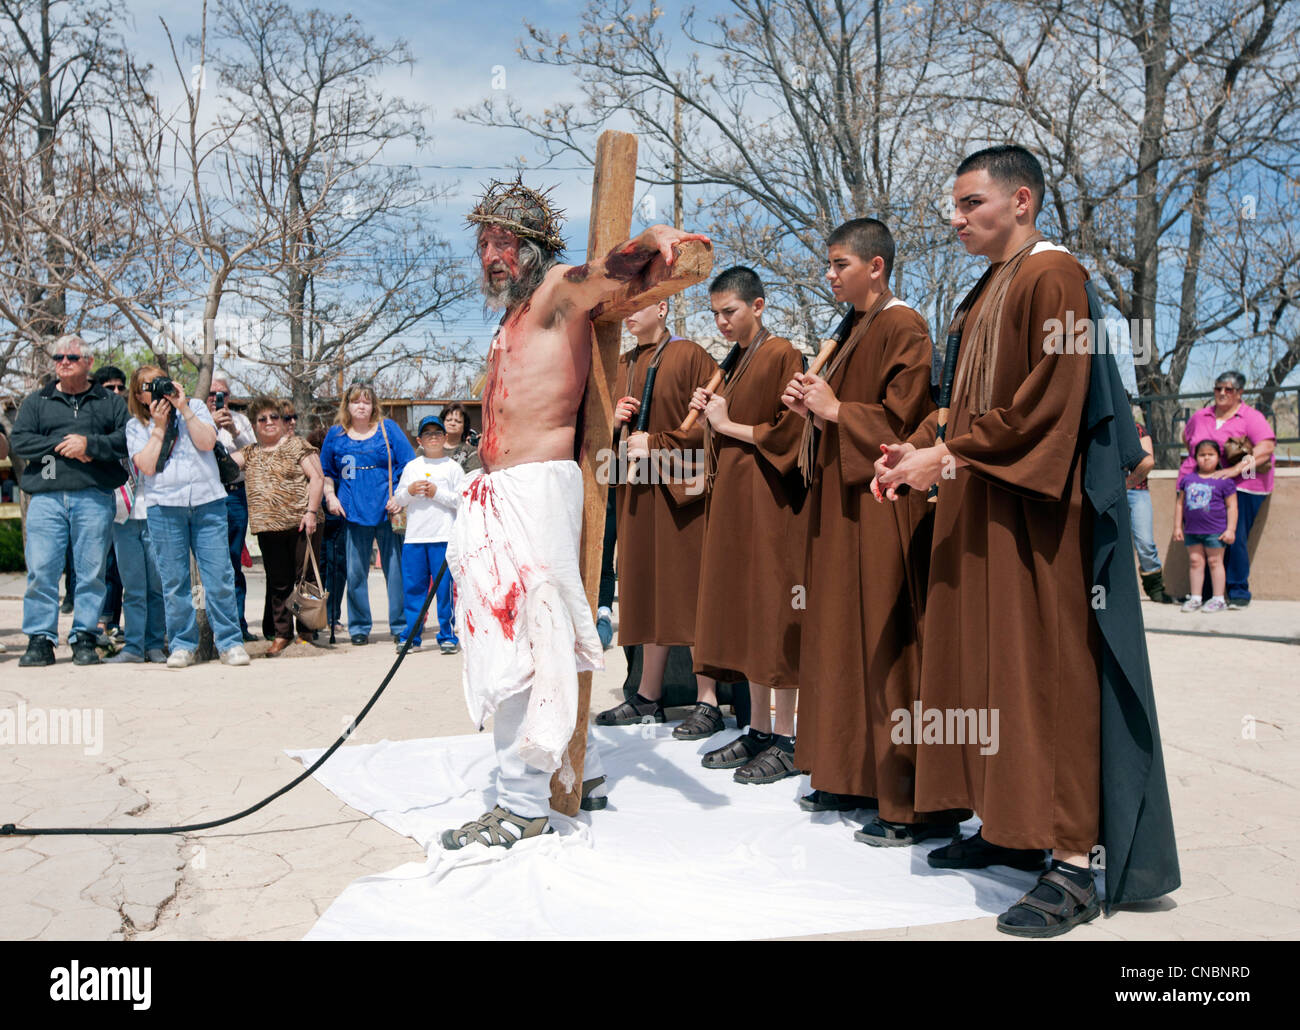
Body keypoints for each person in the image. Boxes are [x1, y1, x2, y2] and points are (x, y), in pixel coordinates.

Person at [874, 145, 1178, 936]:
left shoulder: (1055, 277)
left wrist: (950, 453)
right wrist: (923, 452)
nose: (956, 218)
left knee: (1047, 678)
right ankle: (1007, 826)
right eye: (955, 204)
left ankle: (1074, 863)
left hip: (1036, 518)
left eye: (972, 203)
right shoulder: (987, 287)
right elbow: (963, 404)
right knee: (986, 674)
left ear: (1023, 201)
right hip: (983, 505)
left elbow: (1053, 401)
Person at [439, 176, 707, 849]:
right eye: (483, 243)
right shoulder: (512, 316)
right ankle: (553, 775)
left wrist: (654, 240)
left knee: (531, 650)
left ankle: (523, 802)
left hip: (536, 490)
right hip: (501, 492)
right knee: (513, 647)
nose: (491, 255)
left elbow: (611, 273)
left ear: (533, 247)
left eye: (504, 241)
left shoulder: (557, 291)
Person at [781, 218, 943, 828]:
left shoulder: (904, 324)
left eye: (839, 264)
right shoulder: (849, 329)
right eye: (828, 264)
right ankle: (849, 774)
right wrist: (813, 410)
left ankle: (907, 795)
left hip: (879, 504)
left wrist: (835, 408)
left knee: (883, 637)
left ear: (875, 266)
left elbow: (904, 425)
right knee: (840, 638)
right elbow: (837, 416)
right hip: (838, 505)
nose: (829, 274)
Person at [686, 267, 806, 781]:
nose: (721, 322)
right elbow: (718, 432)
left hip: (771, 504)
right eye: (714, 313)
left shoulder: (783, 355)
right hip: (736, 502)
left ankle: (788, 736)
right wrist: (709, 414)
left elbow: (792, 432)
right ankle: (758, 728)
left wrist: (726, 422)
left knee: (775, 612)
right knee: (750, 613)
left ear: (758, 305)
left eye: (729, 311)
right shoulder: (732, 362)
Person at [593, 299, 718, 730]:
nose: (628, 312)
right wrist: (612, 422)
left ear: (663, 307)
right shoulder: (621, 362)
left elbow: (715, 424)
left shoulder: (691, 356)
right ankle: (648, 695)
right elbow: (596, 439)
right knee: (643, 592)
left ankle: (709, 700)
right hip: (634, 494)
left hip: (682, 497)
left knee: (690, 592)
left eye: (638, 304)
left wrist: (660, 444)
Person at [10, 336, 128, 666]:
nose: (64, 361)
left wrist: (90, 445)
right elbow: (20, 441)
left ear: (88, 362)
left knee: (91, 573)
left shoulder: (109, 401)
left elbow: (125, 439)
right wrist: (65, 445)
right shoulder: (38, 401)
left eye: (72, 357)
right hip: (46, 499)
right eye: (59, 356)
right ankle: (40, 639)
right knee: (42, 571)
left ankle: (84, 637)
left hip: (94, 496)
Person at [126, 366, 250, 669]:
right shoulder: (135, 426)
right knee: (174, 581)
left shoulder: (194, 407)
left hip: (207, 501)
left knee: (219, 576)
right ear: (138, 395)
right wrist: (158, 426)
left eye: (160, 382)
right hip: (164, 505)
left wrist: (182, 406)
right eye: (147, 386)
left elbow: (208, 442)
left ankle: (230, 642)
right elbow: (146, 466)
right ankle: (182, 644)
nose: (155, 389)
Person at [318, 383, 414, 645]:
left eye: (366, 401)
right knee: (355, 573)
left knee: (395, 571)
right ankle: (359, 627)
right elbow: (327, 472)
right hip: (352, 512)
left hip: (387, 510)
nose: (361, 406)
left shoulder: (388, 429)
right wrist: (330, 497)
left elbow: (409, 465)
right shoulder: (336, 435)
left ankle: (400, 624)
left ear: (374, 405)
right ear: (347, 405)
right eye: (356, 401)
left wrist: (400, 496)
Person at [230, 396, 324, 655]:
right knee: (278, 582)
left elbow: (317, 478)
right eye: (262, 419)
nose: (269, 422)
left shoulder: (297, 445)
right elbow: (223, 464)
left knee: (305, 579)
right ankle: (282, 633)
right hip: (268, 527)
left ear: (283, 422)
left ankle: (306, 633)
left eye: (274, 417)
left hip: (302, 523)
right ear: (254, 424)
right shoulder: (250, 451)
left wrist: (311, 512)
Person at [1179, 371, 1275, 608]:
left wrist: (1233, 471)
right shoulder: (1201, 416)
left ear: (1240, 393)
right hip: (1202, 487)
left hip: (1245, 485)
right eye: (1218, 388)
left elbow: (1266, 448)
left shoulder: (1250, 417)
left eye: (1228, 389)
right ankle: (1203, 593)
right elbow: (1187, 439)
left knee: (1235, 536)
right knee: (1203, 540)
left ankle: (1237, 590)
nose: (1222, 393)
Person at [387, 416, 465, 654]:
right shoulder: (413, 467)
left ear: (445, 437)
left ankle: (447, 635)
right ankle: (411, 636)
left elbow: (461, 501)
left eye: (437, 433)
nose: (433, 438)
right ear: (419, 440)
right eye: (427, 434)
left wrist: (437, 493)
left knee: (444, 591)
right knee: (414, 589)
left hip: (443, 537)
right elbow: (398, 499)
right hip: (415, 538)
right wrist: (409, 491)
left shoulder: (453, 468)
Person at [207, 376, 258, 641]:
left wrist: (235, 433)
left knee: (233, 561)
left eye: (223, 394)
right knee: (210, 563)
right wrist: (211, 427)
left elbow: (253, 454)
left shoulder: (240, 421)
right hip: (207, 496)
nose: (217, 399)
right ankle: (211, 626)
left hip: (235, 495)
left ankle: (238, 623)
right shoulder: (195, 419)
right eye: (212, 393)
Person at [1174, 439, 1237, 614]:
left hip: (1215, 530)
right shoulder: (1187, 480)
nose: (1206, 458)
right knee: (1195, 562)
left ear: (1218, 457)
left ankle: (1218, 599)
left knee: (1215, 562)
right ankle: (1195, 598)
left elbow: (1232, 506)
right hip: (1192, 530)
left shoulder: (1224, 480)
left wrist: (1230, 529)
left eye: (1211, 454)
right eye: (1202, 455)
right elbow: (1180, 504)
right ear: (1195, 458)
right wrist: (1178, 527)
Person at [92, 365, 129, 644]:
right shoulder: (90, 417)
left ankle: (114, 622)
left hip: (129, 500)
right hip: (100, 497)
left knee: (121, 568)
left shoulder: (128, 419)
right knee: (101, 565)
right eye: (109, 388)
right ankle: (99, 623)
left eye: (120, 387)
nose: (116, 393)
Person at [1127, 414, 1174, 603]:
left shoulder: (1138, 429)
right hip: (1111, 492)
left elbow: (1148, 461)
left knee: (1145, 542)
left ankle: (1155, 588)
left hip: (1137, 491)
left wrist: (1128, 483)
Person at [440, 402, 481, 472]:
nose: (452, 423)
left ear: (464, 426)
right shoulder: (427, 448)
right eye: (448, 420)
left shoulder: (471, 452)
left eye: (458, 421)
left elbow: (472, 478)